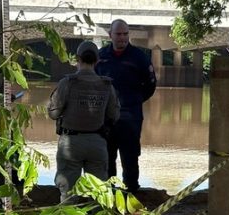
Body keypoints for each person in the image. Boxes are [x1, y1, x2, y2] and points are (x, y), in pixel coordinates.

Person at [48, 42, 120, 201]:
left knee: (68, 194)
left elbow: (53, 113)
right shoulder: (106, 85)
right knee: (98, 194)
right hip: (97, 143)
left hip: (70, 143)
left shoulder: (67, 83)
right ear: (97, 60)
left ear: (77, 59)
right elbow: (114, 115)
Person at [95, 19, 157, 192]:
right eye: (118, 34)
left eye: (125, 34)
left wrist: (134, 101)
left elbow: (150, 85)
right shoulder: (100, 57)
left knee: (130, 158)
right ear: (110, 35)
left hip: (131, 118)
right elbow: (93, 84)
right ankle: (109, 195)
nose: (122, 38)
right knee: (107, 158)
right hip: (106, 119)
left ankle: (131, 193)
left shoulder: (139, 57)